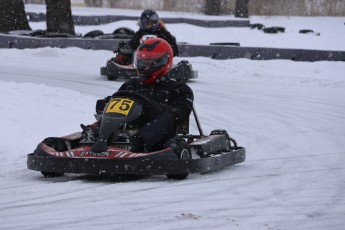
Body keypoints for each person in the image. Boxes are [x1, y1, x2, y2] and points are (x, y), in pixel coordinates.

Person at [81, 37, 193, 152]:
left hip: (158, 140)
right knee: (113, 110)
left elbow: (180, 113)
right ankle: (95, 136)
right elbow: (118, 103)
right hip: (125, 130)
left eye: (151, 64)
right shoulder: (131, 85)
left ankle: (136, 143)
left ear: (165, 62)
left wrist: (155, 108)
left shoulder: (179, 89)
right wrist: (107, 103)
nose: (146, 68)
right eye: (142, 63)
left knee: (167, 117)